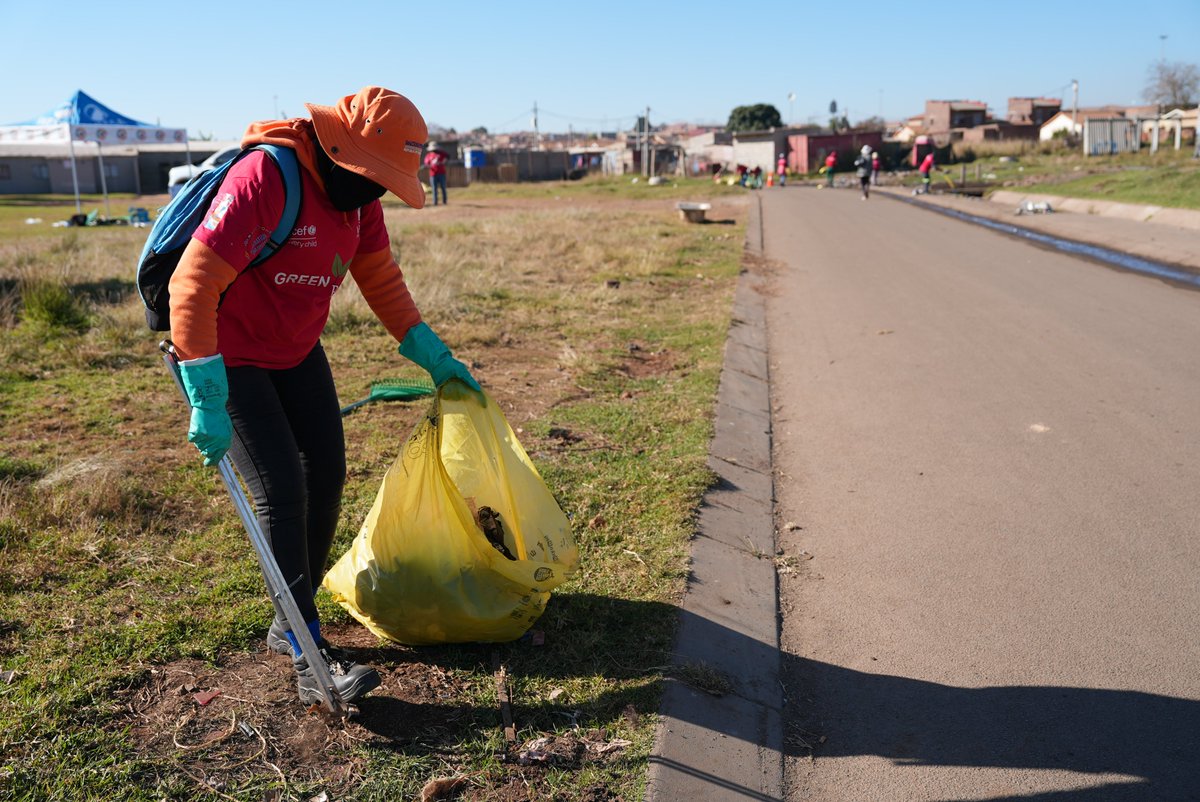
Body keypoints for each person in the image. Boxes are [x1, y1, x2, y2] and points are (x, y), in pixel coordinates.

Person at [166, 86, 481, 708]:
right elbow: (193, 283)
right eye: (371, 174)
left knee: (327, 473)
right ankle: (310, 656)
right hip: (228, 356)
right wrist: (205, 392)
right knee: (281, 489)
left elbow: (382, 281)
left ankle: (290, 622)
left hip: (296, 350)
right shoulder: (269, 178)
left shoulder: (360, 204)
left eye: (388, 180)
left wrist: (435, 356)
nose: (377, 189)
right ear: (338, 148)